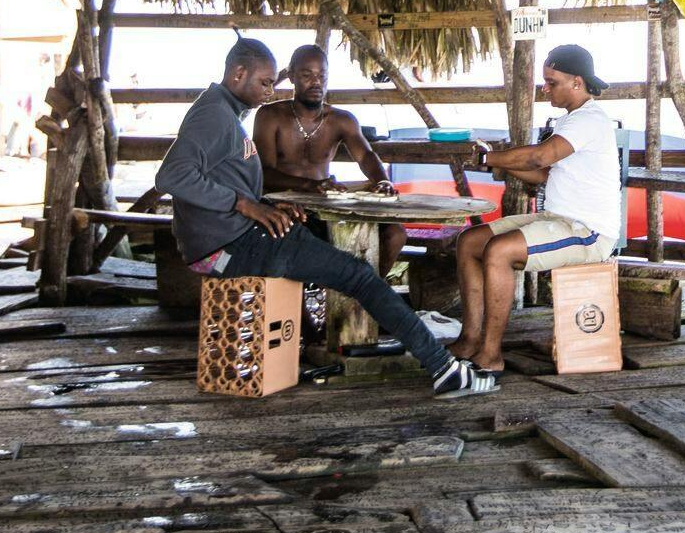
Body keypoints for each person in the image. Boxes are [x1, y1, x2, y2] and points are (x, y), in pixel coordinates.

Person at [157, 37, 484, 398]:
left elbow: (221, 176)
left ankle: (364, 345)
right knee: (359, 275)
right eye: (265, 82)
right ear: (238, 73)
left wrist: (267, 206)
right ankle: (442, 368)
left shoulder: (224, 111)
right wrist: (246, 205)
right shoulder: (213, 115)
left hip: (240, 234)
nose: (270, 91)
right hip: (229, 244)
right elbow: (172, 176)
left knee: (365, 259)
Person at [450, 44, 622, 384]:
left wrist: (491, 159)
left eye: (551, 82)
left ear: (576, 82)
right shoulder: (569, 121)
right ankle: (470, 339)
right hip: (558, 220)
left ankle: (491, 355)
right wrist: (498, 164)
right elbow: (544, 175)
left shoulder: (590, 119)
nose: (545, 89)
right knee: (470, 241)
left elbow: (539, 158)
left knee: (499, 251)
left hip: (590, 233)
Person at [254, 45, 408, 275]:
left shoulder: (341, 120)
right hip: (284, 203)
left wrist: (383, 181)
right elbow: (263, 172)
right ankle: (304, 304)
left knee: (395, 234)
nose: (316, 82)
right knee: (297, 234)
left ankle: (367, 294)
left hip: (327, 204)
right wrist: (312, 186)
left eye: (322, 75)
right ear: (292, 76)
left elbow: (365, 155)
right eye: (307, 75)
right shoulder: (270, 116)